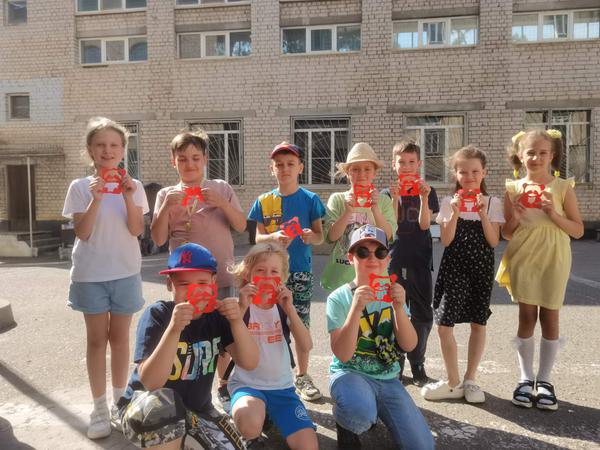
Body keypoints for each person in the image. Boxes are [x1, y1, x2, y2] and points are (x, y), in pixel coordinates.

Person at [116, 243, 259, 449]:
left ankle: (183, 439)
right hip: (146, 407)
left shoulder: (217, 317)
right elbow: (151, 383)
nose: (194, 290)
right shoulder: (158, 314)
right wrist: (174, 329)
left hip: (196, 412)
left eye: (202, 282)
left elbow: (250, 362)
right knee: (166, 404)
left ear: (213, 283)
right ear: (170, 285)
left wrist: (237, 321)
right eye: (183, 284)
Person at [62, 117, 149, 439]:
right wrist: (95, 198)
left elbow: (136, 230)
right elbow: (83, 233)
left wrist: (127, 195)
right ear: (90, 150)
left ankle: (119, 402)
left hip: (125, 272)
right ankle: (99, 408)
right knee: (97, 341)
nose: (107, 151)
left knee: (120, 339)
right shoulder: (80, 187)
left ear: (123, 150)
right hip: (90, 275)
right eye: (100, 145)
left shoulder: (134, 186)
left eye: (114, 145)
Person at [151, 130, 246, 410]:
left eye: (195, 158)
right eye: (182, 159)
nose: (189, 164)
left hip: (222, 277)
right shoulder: (166, 194)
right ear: (173, 162)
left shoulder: (221, 188)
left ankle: (224, 385)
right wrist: (165, 208)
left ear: (205, 159)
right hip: (185, 282)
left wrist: (222, 203)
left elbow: (241, 225)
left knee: (225, 332)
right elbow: (158, 238)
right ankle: (189, 388)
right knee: (189, 334)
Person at [496, 129, 583, 411]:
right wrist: (516, 217)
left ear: (552, 156)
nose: (536, 158)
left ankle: (545, 381)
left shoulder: (562, 187)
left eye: (542, 153)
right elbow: (506, 233)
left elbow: (578, 230)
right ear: (520, 156)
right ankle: (525, 378)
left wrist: (553, 213)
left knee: (550, 317)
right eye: (530, 152)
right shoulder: (513, 189)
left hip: (554, 257)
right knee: (526, 316)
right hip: (524, 256)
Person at [326, 224, 434, 450]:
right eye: (363, 252)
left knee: (422, 446)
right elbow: (343, 354)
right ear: (351, 258)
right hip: (350, 373)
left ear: (387, 258)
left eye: (380, 252)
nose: (372, 258)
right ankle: (345, 420)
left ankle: (370, 408)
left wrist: (398, 308)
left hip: (387, 378)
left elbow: (409, 345)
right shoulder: (339, 298)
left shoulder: (393, 292)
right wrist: (356, 308)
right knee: (359, 414)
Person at [421, 146, 504, 404]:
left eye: (475, 172)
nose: (469, 177)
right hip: (454, 268)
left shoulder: (492, 202)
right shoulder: (449, 202)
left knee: (478, 323)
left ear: (484, 172)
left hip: (480, 269)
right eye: (463, 172)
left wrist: (482, 213)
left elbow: (493, 241)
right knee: (444, 325)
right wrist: (455, 213)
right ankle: (453, 381)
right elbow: (446, 240)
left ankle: (470, 379)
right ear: (455, 174)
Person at [247, 142, 326, 402]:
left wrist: (309, 236)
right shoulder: (264, 201)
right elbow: (257, 238)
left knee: (300, 323)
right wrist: (273, 236)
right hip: (268, 274)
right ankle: (264, 373)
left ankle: (302, 375)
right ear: (271, 169)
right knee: (266, 324)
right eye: (279, 165)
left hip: (299, 272)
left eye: (290, 164)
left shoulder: (310, 199)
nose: (285, 169)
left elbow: (320, 236)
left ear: (300, 167)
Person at [227, 243, 318, 449]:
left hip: (282, 387)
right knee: (250, 424)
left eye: (274, 271)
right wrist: (242, 306)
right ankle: (251, 431)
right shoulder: (239, 305)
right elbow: (226, 345)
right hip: (247, 385)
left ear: (283, 277)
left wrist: (290, 309)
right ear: (248, 273)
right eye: (260, 270)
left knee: (308, 446)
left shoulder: (283, 306)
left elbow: (306, 345)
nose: (267, 276)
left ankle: (267, 414)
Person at [381, 139, 439, 386]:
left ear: (419, 164)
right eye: (401, 162)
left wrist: (424, 198)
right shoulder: (386, 193)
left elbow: (425, 225)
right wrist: (395, 199)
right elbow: (391, 227)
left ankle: (418, 363)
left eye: (411, 162)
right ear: (394, 165)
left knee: (422, 313)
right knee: (394, 310)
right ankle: (396, 363)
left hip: (420, 260)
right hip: (394, 261)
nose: (406, 167)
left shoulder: (428, 191)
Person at [322, 143, 397, 291]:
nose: (362, 174)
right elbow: (330, 237)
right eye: (355, 169)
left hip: (375, 277)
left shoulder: (383, 201)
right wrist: (347, 212)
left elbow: (388, 236)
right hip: (341, 278)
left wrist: (375, 209)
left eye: (367, 169)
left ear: (374, 173)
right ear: (348, 173)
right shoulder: (337, 199)